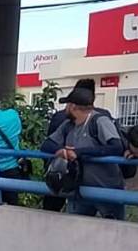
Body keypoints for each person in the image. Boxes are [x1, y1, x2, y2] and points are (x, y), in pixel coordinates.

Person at [41, 85, 126, 220]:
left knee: (114, 232)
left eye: (67, 105)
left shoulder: (99, 121)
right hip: (80, 191)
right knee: (76, 231)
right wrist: (60, 151)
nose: (65, 109)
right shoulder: (68, 125)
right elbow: (46, 144)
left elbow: (116, 147)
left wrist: (80, 152)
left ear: (73, 107)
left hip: (106, 190)